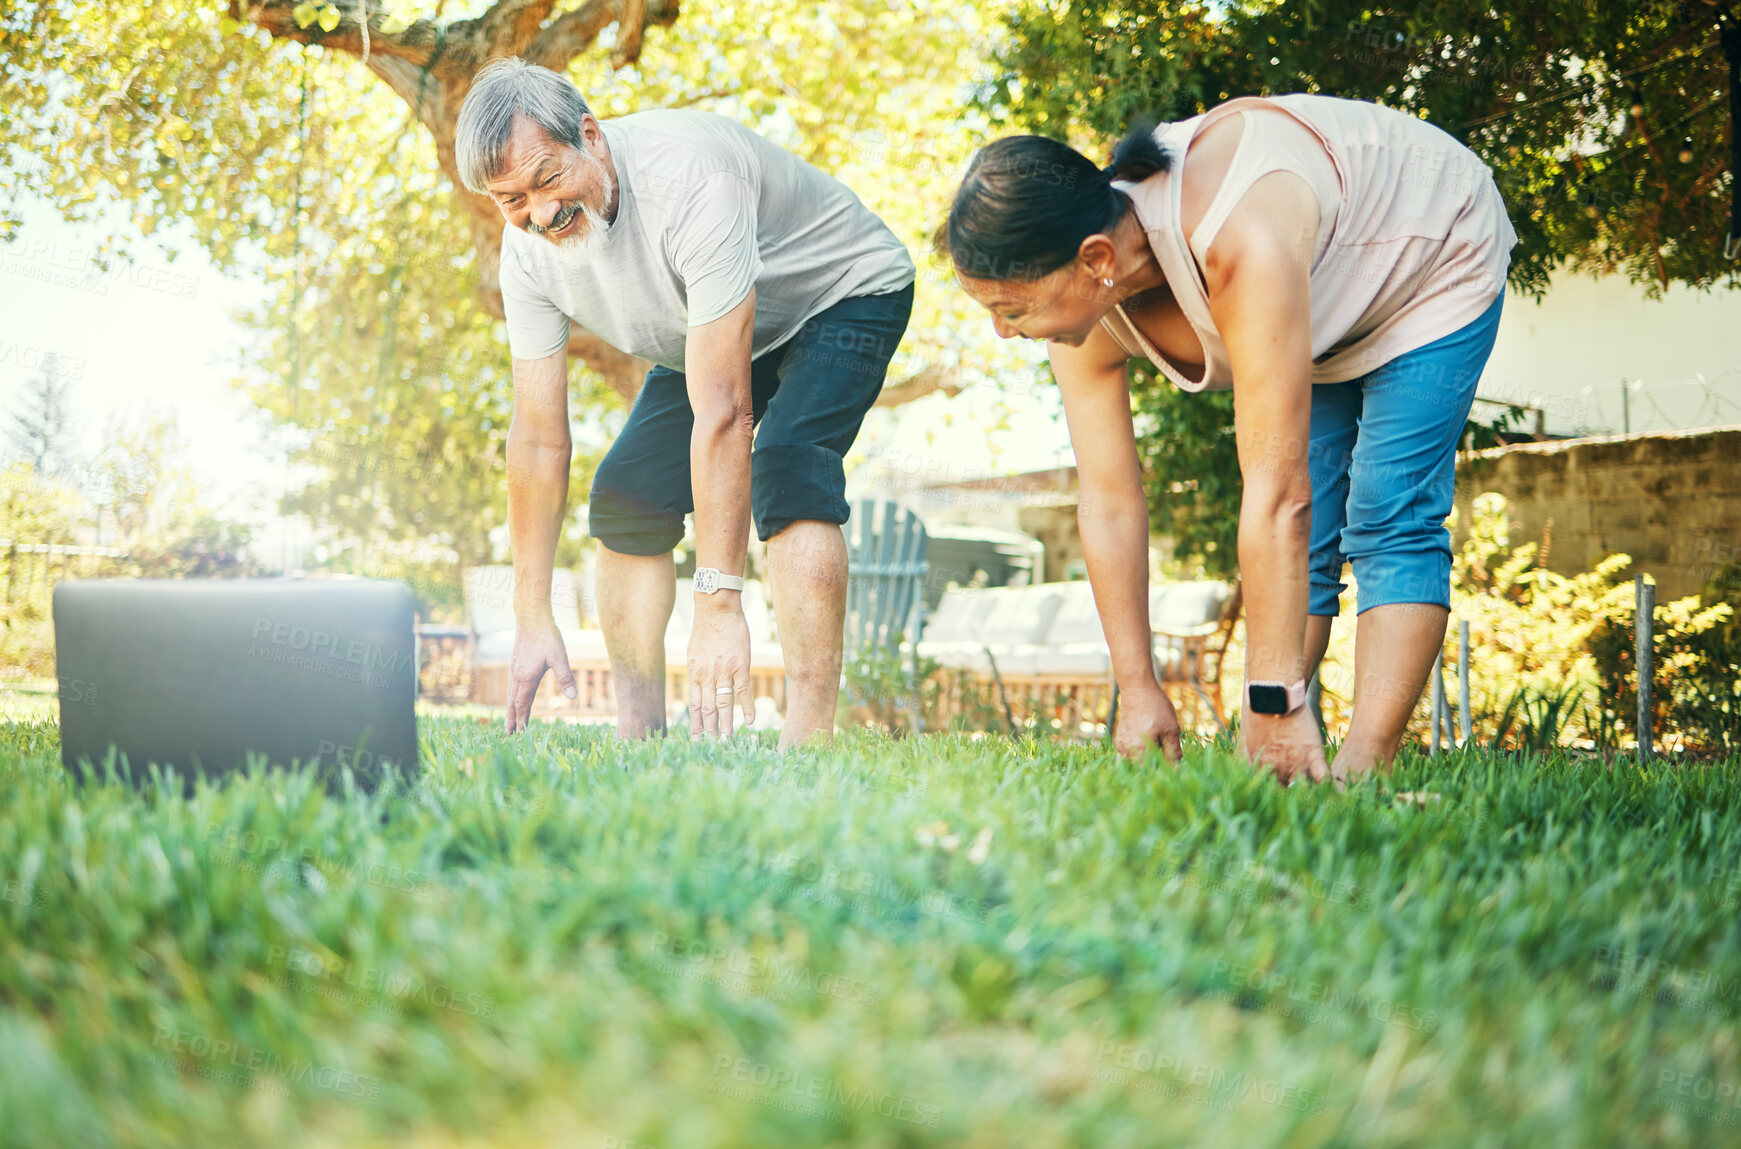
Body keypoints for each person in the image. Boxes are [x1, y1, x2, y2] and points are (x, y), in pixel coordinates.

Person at [941, 93, 1517, 781]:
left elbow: (1277, 494)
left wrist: (1274, 696)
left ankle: (1364, 769)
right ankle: (1275, 753)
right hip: (1322, 288)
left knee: (1387, 507)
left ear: (1095, 258)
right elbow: (1109, 503)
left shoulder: (1236, 236)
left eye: (1012, 308)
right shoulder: (1082, 314)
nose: (1002, 333)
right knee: (1305, 542)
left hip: (1427, 247)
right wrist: (1138, 689)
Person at [454, 57, 915, 746]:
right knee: (626, 495)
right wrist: (531, 615)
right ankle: (639, 733)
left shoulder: (691, 177)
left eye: (547, 179)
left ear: (591, 137)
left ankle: (809, 735)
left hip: (842, 292)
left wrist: (718, 601)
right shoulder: (526, 259)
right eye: (510, 199)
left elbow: (725, 410)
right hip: (706, 326)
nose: (540, 214)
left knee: (787, 465)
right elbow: (538, 440)